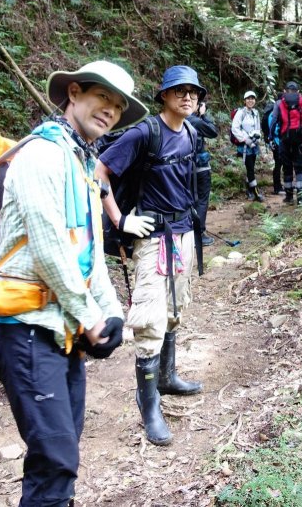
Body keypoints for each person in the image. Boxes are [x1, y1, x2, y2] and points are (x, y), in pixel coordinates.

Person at [0, 60, 148, 507]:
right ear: (74, 93)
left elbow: (90, 251)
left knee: (62, 447)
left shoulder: (82, 162)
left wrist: (109, 312)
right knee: (56, 456)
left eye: (118, 106)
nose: (111, 111)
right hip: (26, 327)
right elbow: (48, 247)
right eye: (103, 98)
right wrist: (91, 317)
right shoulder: (40, 154)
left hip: (62, 330)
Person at [95, 65, 205, 447]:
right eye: (180, 91)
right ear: (164, 96)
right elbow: (100, 171)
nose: (188, 97)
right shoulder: (145, 132)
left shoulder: (191, 132)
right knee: (149, 317)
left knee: (175, 308)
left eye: (193, 91)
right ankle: (149, 403)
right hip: (153, 238)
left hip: (182, 234)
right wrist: (120, 220)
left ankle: (167, 378)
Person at [186, 99, 218, 245]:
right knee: (201, 200)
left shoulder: (179, 120)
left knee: (189, 200)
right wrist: (203, 115)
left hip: (184, 169)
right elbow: (213, 131)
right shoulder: (195, 121)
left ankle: (188, 232)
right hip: (200, 168)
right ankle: (199, 234)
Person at [272, 81, 302, 204]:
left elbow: (273, 121)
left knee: (287, 167)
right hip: (300, 139)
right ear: (298, 91)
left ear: (284, 91)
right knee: (299, 168)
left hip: (285, 139)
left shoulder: (279, 103)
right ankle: (301, 198)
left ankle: (289, 197)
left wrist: (271, 137)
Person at [230, 90, 265, 201]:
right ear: (244, 101)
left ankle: (249, 190)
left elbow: (258, 127)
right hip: (245, 145)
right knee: (250, 168)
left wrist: (257, 138)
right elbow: (235, 128)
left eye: (252, 99)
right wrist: (245, 139)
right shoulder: (241, 113)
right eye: (248, 99)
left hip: (254, 144)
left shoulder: (255, 113)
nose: (251, 101)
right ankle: (255, 192)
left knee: (251, 167)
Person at [262, 95, 286, 196]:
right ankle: (277, 187)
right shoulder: (273, 113)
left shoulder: (279, 111)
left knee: (281, 163)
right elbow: (274, 128)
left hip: (280, 141)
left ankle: (282, 185)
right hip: (276, 141)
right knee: (278, 164)